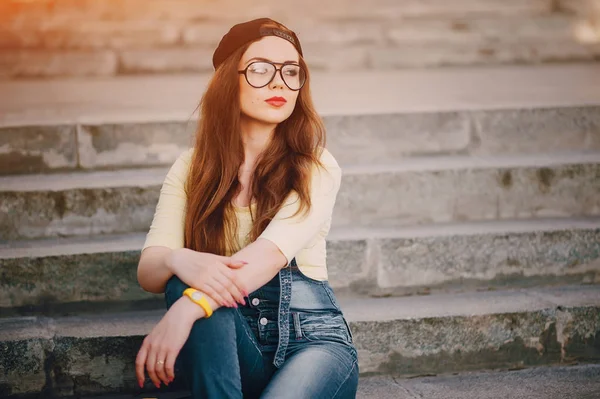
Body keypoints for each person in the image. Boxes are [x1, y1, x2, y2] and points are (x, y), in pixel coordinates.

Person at [134, 17, 359, 398]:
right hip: (233, 350)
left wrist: (186, 310)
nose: (279, 83)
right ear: (228, 80)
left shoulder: (316, 165)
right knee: (184, 278)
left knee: (194, 294)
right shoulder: (191, 167)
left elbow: (268, 258)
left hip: (313, 344)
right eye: (259, 70)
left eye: (292, 72)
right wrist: (179, 260)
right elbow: (149, 270)